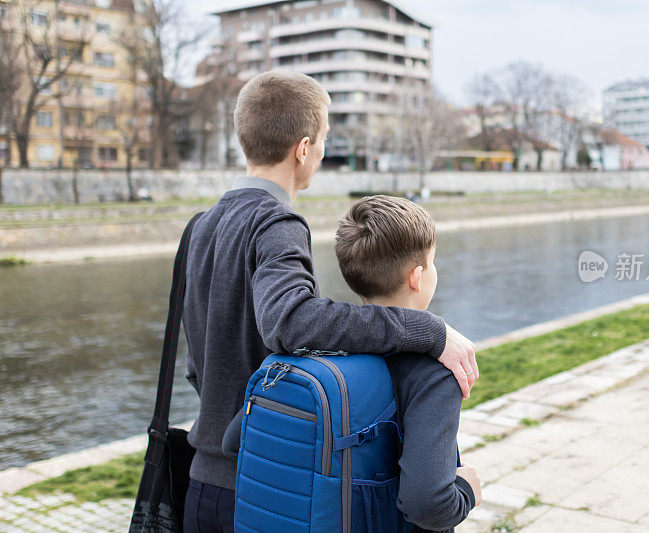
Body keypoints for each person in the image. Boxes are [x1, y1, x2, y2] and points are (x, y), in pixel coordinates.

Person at [180, 71, 479, 532]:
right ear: (303, 148)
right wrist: (428, 332)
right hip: (268, 482)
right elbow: (292, 322)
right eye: (321, 140)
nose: (321, 152)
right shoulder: (277, 221)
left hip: (202, 483)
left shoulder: (201, 226)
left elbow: (197, 365)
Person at [333, 194, 483, 531]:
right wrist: (467, 490)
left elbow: (234, 441)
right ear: (417, 277)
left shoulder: (327, 347)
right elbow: (428, 505)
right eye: (433, 261)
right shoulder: (433, 373)